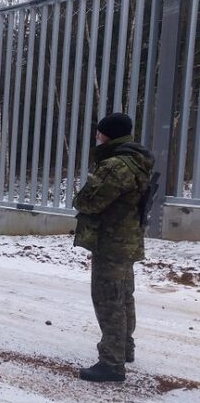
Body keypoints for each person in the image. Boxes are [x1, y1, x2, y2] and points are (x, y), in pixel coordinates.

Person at [73, 112, 154, 382]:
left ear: (109, 134)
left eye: (99, 132)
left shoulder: (116, 166)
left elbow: (87, 201)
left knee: (109, 300)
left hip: (111, 241)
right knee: (123, 296)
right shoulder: (136, 160)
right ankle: (124, 347)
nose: (96, 136)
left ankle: (111, 362)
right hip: (127, 238)